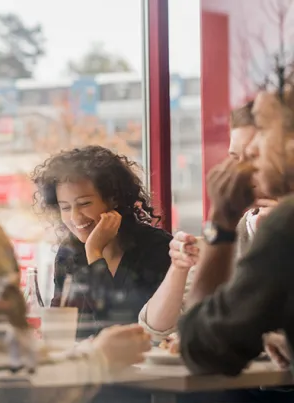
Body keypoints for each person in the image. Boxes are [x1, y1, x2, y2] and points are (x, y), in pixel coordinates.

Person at [138, 101, 277, 341]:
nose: (239, 171)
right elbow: (155, 329)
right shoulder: (238, 226)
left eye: (254, 157)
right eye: (234, 156)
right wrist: (179, 268)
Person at [178, 88, 294, 375]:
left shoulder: (285, 225)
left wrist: (220, 222)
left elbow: (204, 348)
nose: (254, 151)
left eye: (265, 130)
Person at [32, 146, 172, 320]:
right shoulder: (68, 253)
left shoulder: (156, 248)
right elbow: (60, 320)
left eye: (84, 204)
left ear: (113, 199)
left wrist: (94, 252)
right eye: (65, 207)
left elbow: (117, 322)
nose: (75, 217)